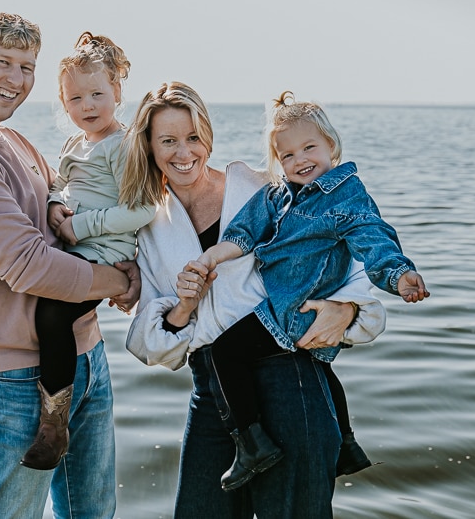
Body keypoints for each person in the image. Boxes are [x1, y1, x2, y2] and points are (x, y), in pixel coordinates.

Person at [123, 82, 387, 519]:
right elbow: (149, 345)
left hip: (289, 377)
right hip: (212, 387)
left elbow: (346, 258)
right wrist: (184, 307)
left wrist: (350, 309)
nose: (183, 152)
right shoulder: (148, 223)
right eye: (167, 140)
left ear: (208, 135)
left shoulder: (263, 190)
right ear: (149, 147)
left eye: (193, 137)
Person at [0, 11, 139, 519]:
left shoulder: (13, 141)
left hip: (85, 355)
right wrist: (119, 279)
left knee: (93, 514)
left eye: (28, 67)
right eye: (4, 62)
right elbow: (30, 268)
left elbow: (76, 207)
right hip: (13, 375)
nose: (16, 80)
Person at [190, 91, 430, 491]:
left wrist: (398, 274)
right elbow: (246, 233)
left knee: (226, 352)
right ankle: (348, 445)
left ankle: (250, 443)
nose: (299, 160)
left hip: (293, 311)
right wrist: (215, 255)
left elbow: (373, 237)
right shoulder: (278, 195)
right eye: (287, 155)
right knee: (322, 365)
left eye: (309, 148)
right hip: (297, 307)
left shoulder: (345, 194)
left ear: (331, 145)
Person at [20, 32, 157, 470]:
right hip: (78, 249)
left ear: (117, 92)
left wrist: (80, 225)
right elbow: (62, 185)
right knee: (50, 311)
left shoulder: (123, 144)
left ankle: (53, 423)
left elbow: (142, 210)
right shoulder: (74, 145)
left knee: (52, 310)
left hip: (106, 253)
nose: (88, 105)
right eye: (75, 98)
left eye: (97, 93)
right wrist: (55, 205)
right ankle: (57, 415)